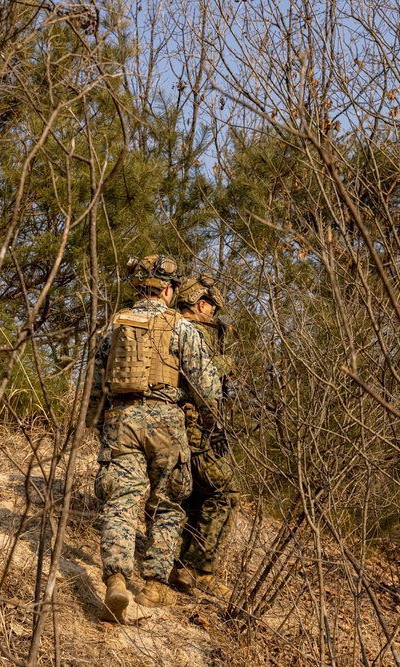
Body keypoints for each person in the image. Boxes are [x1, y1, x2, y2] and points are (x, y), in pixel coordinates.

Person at [87, 255, 222, 623]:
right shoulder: (182, 328)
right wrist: (210, 422)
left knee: (122, 498)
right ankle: (153, 585)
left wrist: (98, 423)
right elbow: (206, 388)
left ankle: (115, 576)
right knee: (168, 502)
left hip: (121, 418)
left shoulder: (112, 327)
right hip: (166, 420)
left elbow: (95, 384)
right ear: (167, 289)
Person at [169, 275, 239, 599]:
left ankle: (180, 567)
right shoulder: (193, 334)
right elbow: (203, 384)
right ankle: (200, 569)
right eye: (211, 307)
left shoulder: (166, 329)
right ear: (200, 305)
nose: (213, 314)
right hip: (196, 430)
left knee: (196, 497)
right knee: (226, 491)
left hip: (173, 430)